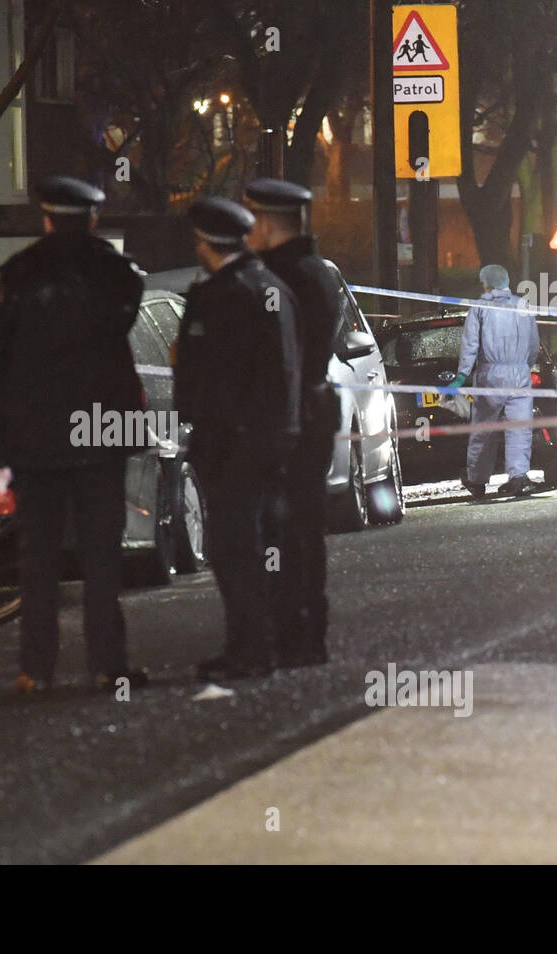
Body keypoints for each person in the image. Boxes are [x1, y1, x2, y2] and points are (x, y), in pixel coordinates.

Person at [0, 175, 148, 694]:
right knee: (102, 556)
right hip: (102, 433)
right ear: (92, 218)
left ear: (45, 218)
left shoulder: (18, 277)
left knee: (38, 558)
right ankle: (109, 663)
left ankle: (35, 669)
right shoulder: (117, 276)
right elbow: (123, 322)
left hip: (35, 437)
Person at [173, 197, 300, 682]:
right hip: (269, 437)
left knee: (234, 546)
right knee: (264, 540)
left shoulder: (226, 294)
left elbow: (215, 374)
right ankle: (267, 642)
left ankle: (249, 647)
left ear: (206, 244)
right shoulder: (272, 288)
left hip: (235, 441)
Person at [244, 178, 339, 668]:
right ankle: (309, 631)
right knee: (306, 526)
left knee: (283, 531)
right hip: (316, 408)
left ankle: (292, 632)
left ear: (265, 224)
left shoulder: (281, 281)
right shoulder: (320, 273)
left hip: (291, 413)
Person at [451, 264, 540, 498]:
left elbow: (470, 344)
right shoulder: (523, 305)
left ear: (487, 283)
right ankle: (519, 477)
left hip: (491, 375)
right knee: (519, 428)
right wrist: (525, 365)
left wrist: (462, 375)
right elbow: (533, 343)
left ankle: (477, 479)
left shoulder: (480, 307)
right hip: (519, 373)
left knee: (484, 429)